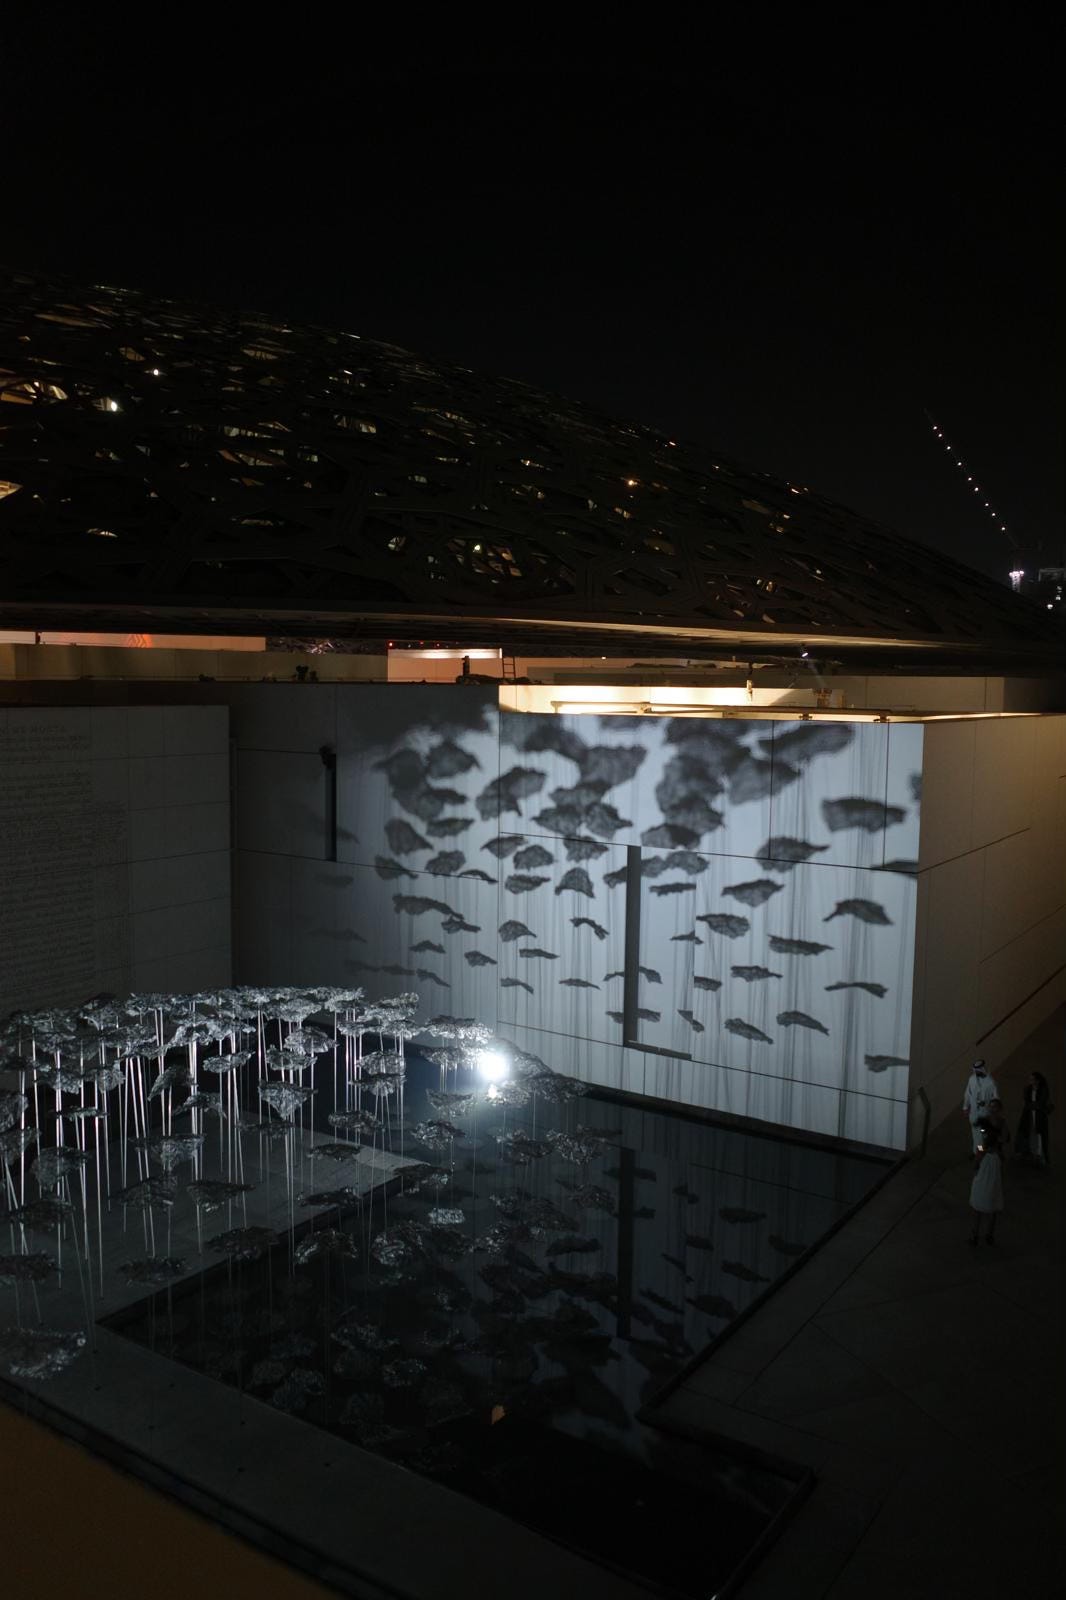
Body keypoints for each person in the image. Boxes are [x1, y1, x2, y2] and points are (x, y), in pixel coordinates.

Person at [969, 1118, 1004, 1245]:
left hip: (982, 1180)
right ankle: (989, 1235)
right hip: (994, 1181)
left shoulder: (982, 1146)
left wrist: (975, 1166)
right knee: (992, 1211)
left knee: (977, 1210)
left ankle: (975, 1236)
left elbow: (979, 1153)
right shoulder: (998, 1153)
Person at [1015, 1071, 1053, 1165]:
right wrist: (1032, 1106)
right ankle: (1031, 1154)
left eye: (1032, 1079)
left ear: (1037, 1080)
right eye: (1030, 1079)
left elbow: (1040, 1103)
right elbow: (1027, 1102)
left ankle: (1040, 1156)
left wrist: (1033, 1106)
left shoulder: (1043, 1090)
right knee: (1030, 1134)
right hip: (1029, 1116)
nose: (1030, 1081)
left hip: (1039, 1116)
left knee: (1040, 1136)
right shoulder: (1028, 1089)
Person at [962, 1059, 999, 1154]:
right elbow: (967, 1094)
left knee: (982, 1135)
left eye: (977, 1071)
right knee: (976, 1135)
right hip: (974, 1113)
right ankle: (977, 1152)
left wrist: (989, 1107)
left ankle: (980, 1153)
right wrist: (965, 1107)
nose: (976, 1073)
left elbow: (995, 1099)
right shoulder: (972, 1080)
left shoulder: (990, 1082)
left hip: (984, 1115)